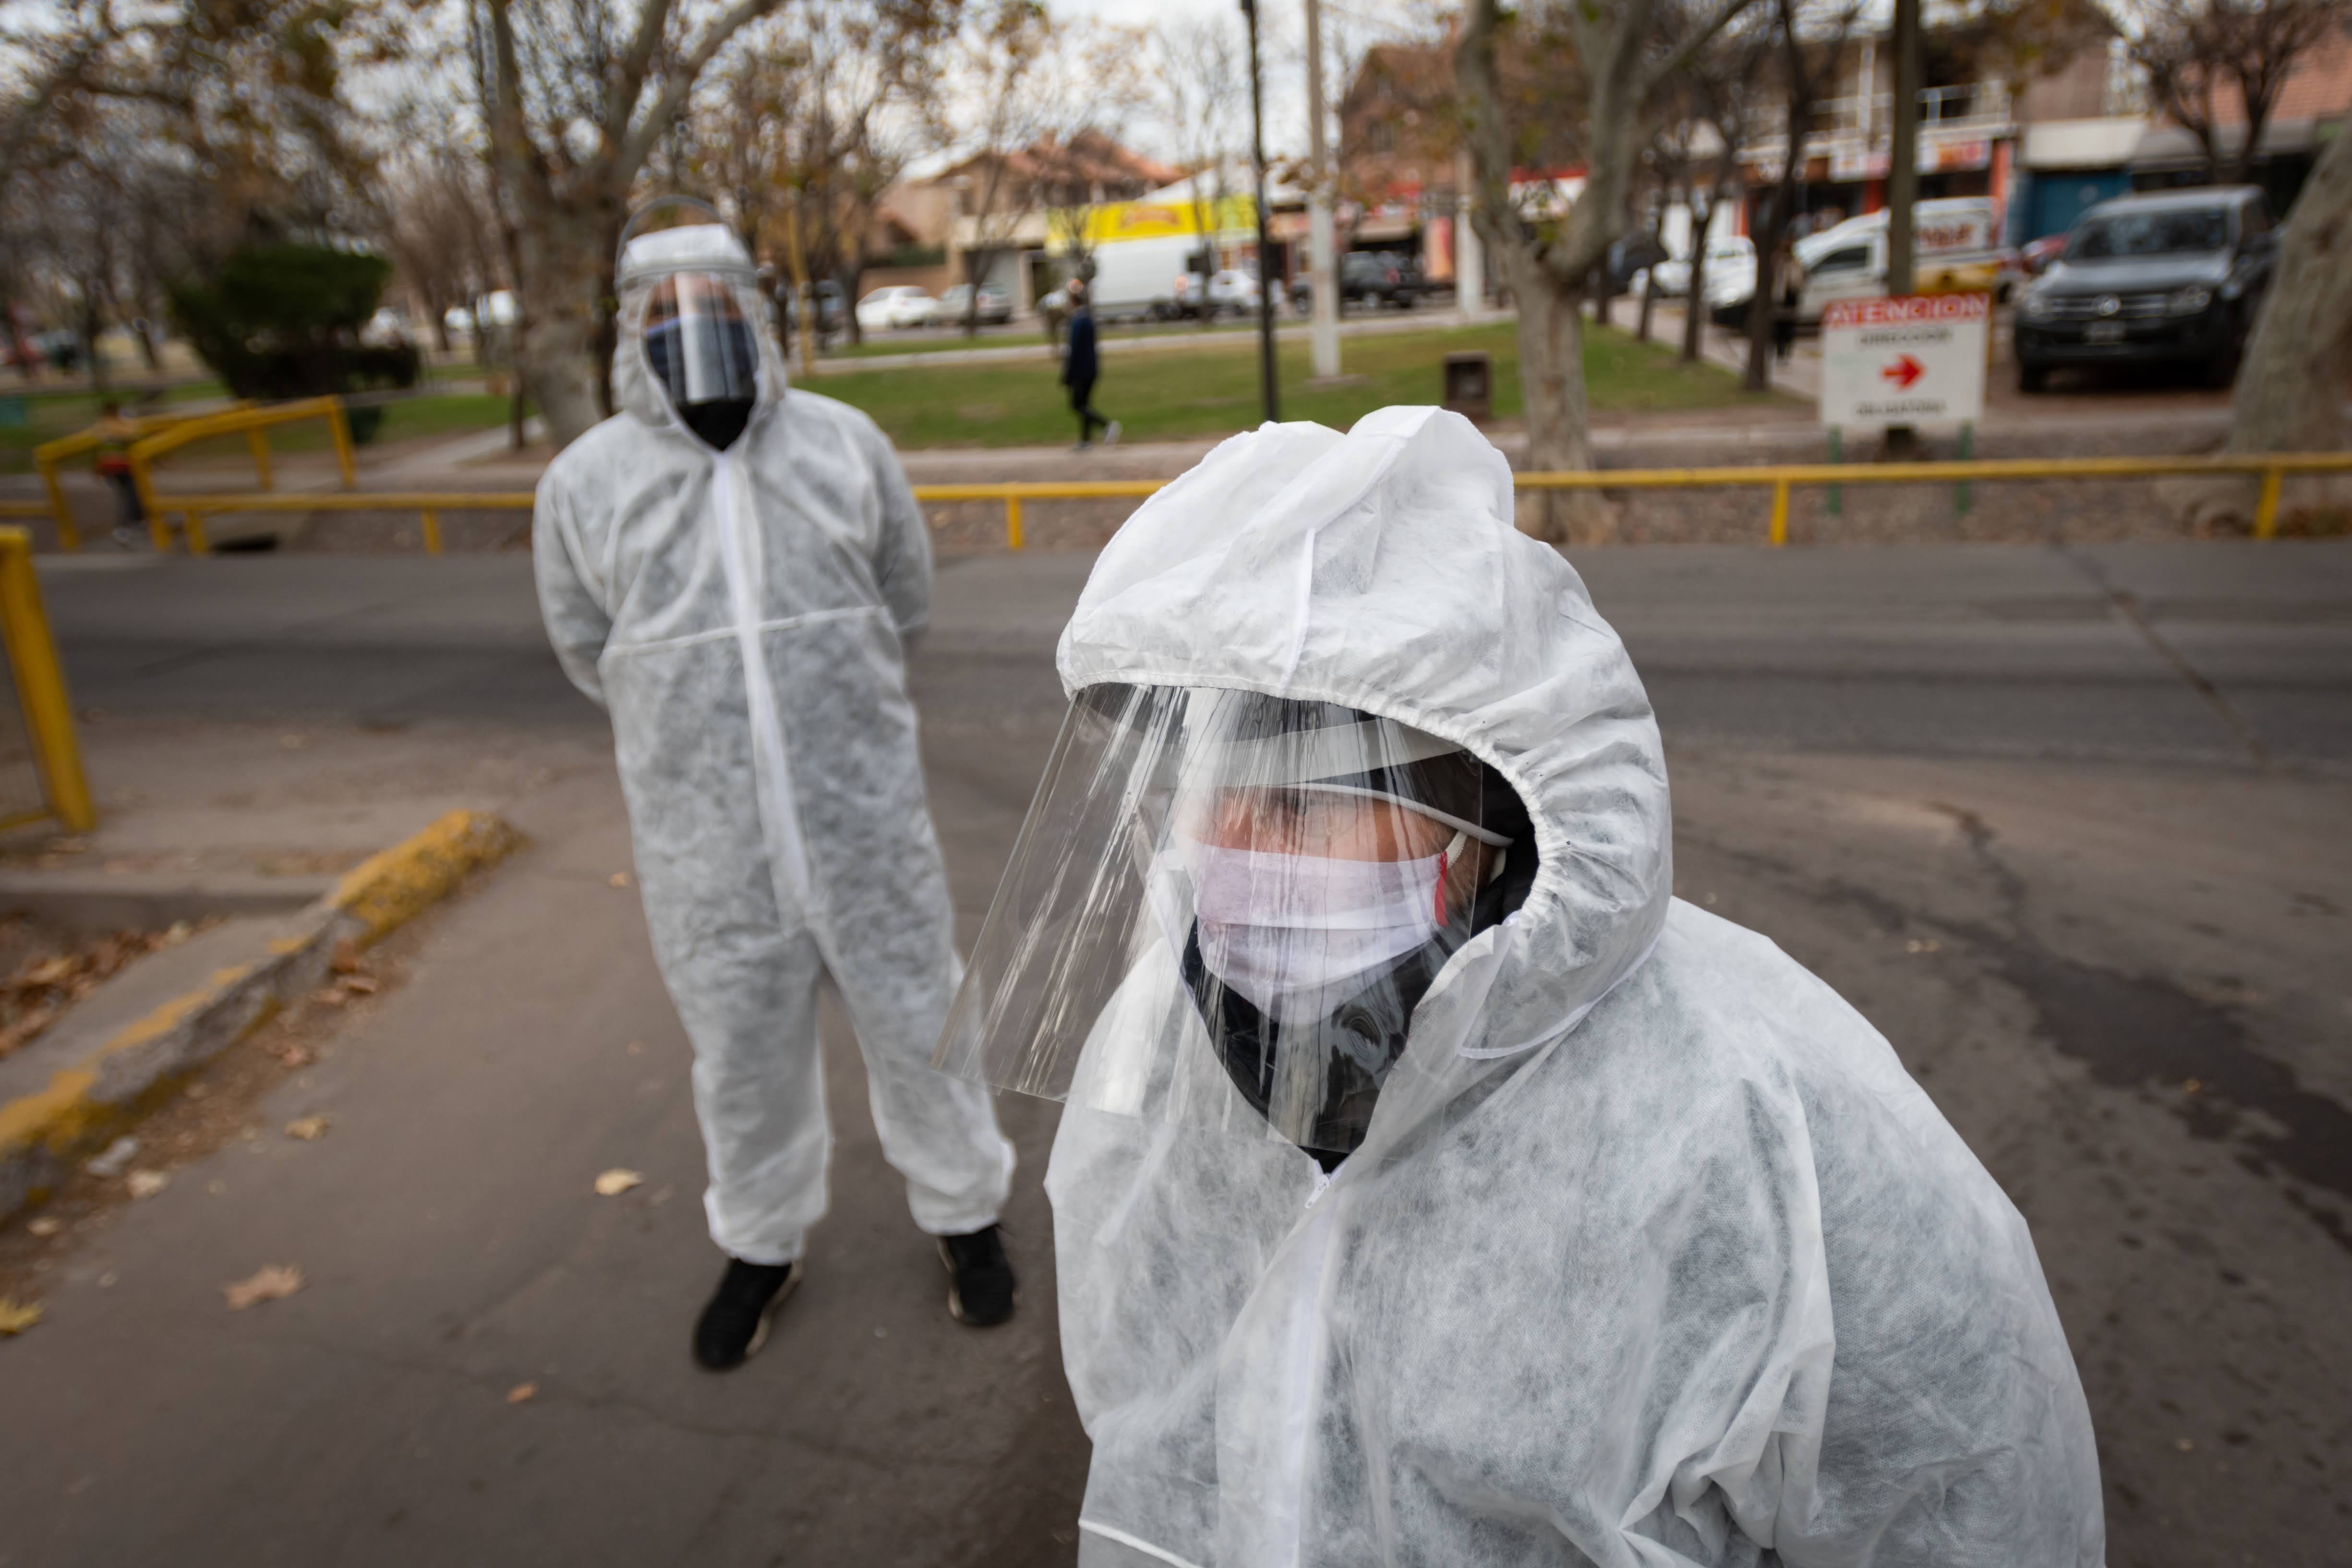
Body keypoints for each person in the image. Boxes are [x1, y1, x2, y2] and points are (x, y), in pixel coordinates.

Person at [934, 406, 2105, 1565]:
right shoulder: (1176, 1053)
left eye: (1296, 805)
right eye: (1202, 797)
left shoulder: (1762, 1114)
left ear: (1482, 825)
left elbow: (1969, 1499)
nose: (1224, 855)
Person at [533, 217, 1018, 1373]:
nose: (692, 325)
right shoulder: (585, 483)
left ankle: (964, 1216)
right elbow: (582, 643)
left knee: (920, 1025)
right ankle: (759, 1242)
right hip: (705, 845)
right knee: (740, 1057)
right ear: (629, 328)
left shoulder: (844, 447)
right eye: (664, 306)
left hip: (865, 827)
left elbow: (904, 600)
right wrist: (689, 727)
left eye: (714, 300)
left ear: (756, 310)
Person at [1059, 278, 1119, 452]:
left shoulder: (1078, 320)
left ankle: (1107, 425)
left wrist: (1068, 374)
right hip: (1091, 368)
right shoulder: (1088, 318)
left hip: (1081, 371)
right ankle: (1086, 441)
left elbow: (1075, 349)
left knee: (1077, 405)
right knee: (1085, 404)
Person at [92, 400, 145, 548]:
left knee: (129, 494)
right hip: (123, 466)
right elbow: (134, 435)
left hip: (109, 467)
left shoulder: (102, 425)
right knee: (130, 495)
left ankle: (138, 520)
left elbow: (98, 448)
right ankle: (124, 527)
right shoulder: (122, 424)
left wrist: (97, 471)